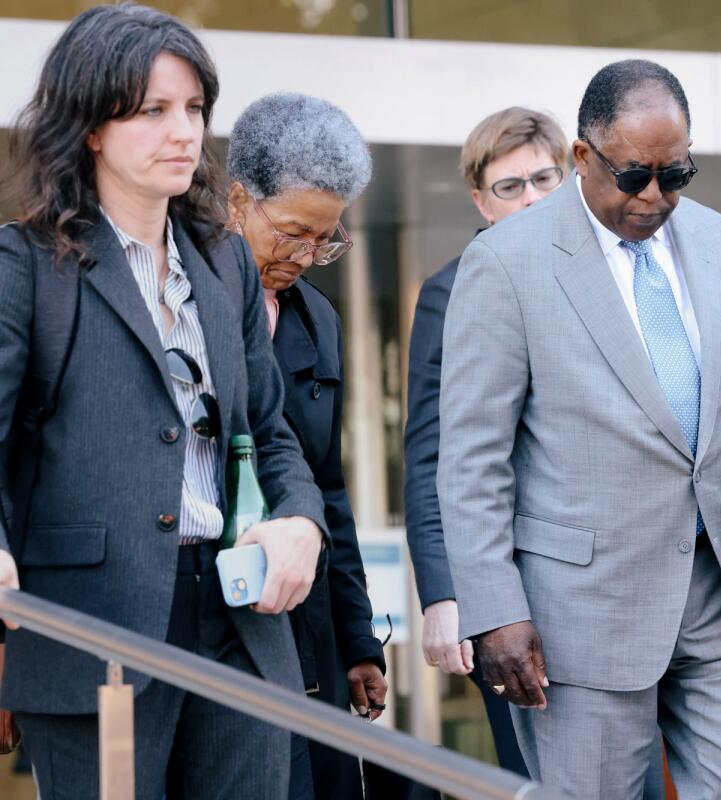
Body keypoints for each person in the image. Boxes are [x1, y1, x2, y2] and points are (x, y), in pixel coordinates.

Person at [437, 59, 721, 798]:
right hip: (582, 611)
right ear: (582, 157)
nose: (656, 196)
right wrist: (494, 608)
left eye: (676, 174)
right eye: (635, 176)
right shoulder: (505, 262)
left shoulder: (719, 241)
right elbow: (473, 459)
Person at [0, 6, 328, 798]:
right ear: (89, 127)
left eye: (193, 109)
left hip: (239, 623)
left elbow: (269, 431)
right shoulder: (25, 264)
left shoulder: (225, 263)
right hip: (93, 631)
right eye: (152, 110)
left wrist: (300, 521)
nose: (183, 131)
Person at [226, 92, 386, 800]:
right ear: (238, 202)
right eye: (293, 232)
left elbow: (329, 485)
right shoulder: (174, 298)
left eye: (326, 240)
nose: (307, 256)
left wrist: (357, 640)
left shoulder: (317, 317)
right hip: (212, 620)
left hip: (307, 621)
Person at [405, 105, 569, 777]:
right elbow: (429, 453)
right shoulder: (451, 291)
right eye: (510, 187)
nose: (530, 199)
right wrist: (444, 596)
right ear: (481, 199)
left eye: (543, 180)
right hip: (509, 591)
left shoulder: (608, 274)